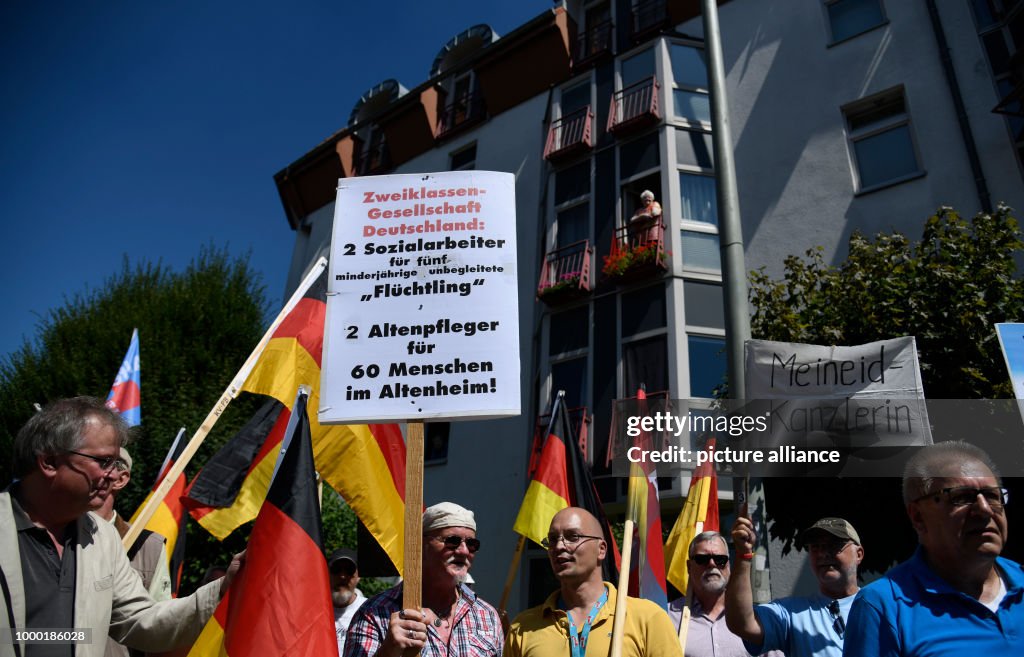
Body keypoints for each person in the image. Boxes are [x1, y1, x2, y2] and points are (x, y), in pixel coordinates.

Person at [0, 396, 242, 657]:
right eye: (103, 461)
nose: (115, 475)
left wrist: (225, 587)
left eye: (115, 463)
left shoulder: (104, 537)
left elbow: (141, 621)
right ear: (49, 462)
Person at [843, 441, 1023, 656]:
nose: (984, 510)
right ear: (918, 517)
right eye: (962, 497)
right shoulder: (883, 607)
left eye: (993, 496)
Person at [504, 506, 682, 657]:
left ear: (601, 550)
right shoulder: (523, 627)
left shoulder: (647, 618)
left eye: (572, 536)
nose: (559, 546)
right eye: (552, 539)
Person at [344, 502, 502, 657]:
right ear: (421, 545)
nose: (464, 551)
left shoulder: (486, 615)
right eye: (452, 541)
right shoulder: (375, 613)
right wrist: (389, 651)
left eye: (472, 543)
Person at [726, 516, 864, 657]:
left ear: (859, 554)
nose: (823, 553)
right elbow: (743, 624)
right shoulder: (791, 613)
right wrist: (744, 555)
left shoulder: (879, 606)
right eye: (815, 547)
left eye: (834, 545)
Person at [97, 448, 173, 657]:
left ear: (120, 479)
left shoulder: (149, 545)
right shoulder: (48, 532)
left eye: (101, 462)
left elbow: (160, 625)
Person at [668, 532, 781, 657]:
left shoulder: (754, 617)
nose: (712, 564)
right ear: (689, 567)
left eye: (720, 559)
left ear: (728, 565)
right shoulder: (668, 618)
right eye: (702, 559)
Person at [330, 547, 367, 657]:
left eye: (349, 571)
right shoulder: (311, 611)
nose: (342, 576)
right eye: (336, 570)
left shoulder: (370, 610)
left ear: (358, 577)